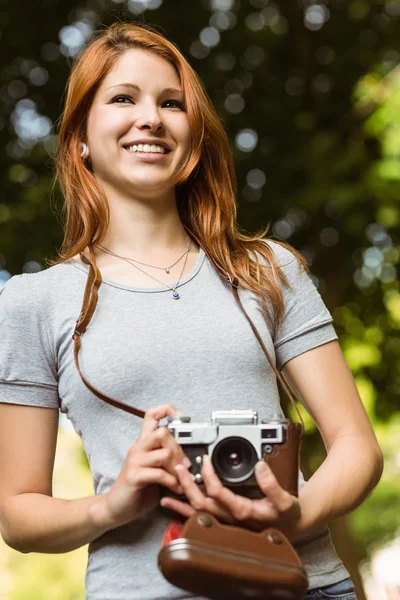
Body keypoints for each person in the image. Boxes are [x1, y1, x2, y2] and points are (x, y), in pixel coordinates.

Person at [0, 21, 383, 600]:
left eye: (171, 103)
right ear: (79, 137)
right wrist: (115, 503)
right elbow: (17, 515)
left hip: (300, 584)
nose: (150, 118)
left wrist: (293, 519)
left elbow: (357, 446)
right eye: (123, 98)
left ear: (194, 137)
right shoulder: (36, 302)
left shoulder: (267, 268)